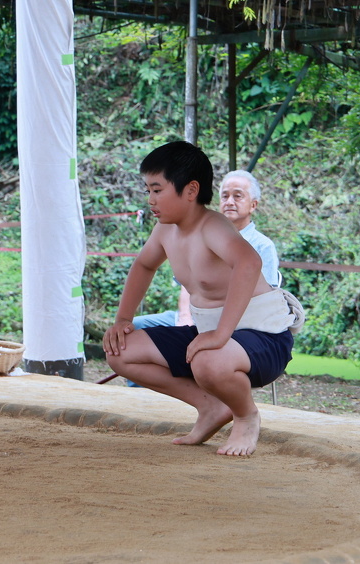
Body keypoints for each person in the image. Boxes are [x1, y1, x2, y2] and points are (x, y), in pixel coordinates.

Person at [103, 141, 302, 456]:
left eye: (158, 190)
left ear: (191, 190)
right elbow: (143, 265)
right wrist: (122, 320)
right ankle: (211, 407)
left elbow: (249, 263)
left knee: (208, 360)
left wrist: (221, 334)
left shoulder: (213, 226)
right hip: (211, 334)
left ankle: (246, 415)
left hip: (265, 336)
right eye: (148, 191)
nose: (151, 199)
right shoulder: (164, 231)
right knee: (120, 350)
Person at [132, 169, 281, 330]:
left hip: (235, 324)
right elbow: (188, 285)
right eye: (225, 196)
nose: (230, 202)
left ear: (253, 205)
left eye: (237, 196)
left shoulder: (262, 246)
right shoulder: (200, 234)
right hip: (193, 316)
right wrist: (185, 317)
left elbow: (265, 300)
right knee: (133, 327)